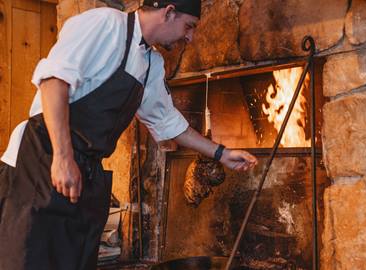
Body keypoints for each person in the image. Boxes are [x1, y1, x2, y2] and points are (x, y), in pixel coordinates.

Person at [0, 1, 258, 269]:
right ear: (168, 12)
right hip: (42, 159)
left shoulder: (150, 64)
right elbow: (54, 81)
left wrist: (222, 153)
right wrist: (63, 158)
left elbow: (169, 122)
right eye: (189, 26)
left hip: (85, 169)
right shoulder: (106, 24)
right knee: (30, 259)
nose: (190, 37)